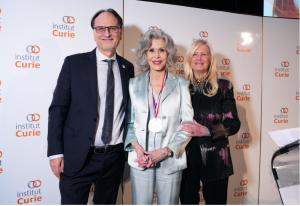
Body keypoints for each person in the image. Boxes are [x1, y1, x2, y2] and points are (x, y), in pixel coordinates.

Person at [47, 8, 134, 204]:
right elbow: (58, 108)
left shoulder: (127, 68)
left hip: (114, 157)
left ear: (120, 31)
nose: (107, 33)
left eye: (112, 28)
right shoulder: (73, 63)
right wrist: (55, 152)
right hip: (78, 157)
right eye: (101, 28)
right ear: (94, 32)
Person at [124, 27, 194, 204]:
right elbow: (129, 123)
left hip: (170, 160)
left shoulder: (181, 85)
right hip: (141, 161)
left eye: (161, 50)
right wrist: (138, 150)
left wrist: (165, 151)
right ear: (145, 54)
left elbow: (188, 125)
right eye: (151, 50)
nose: (156, 56)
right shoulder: (134, 84)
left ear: (168, 53)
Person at [179, 39, 241, 205]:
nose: (199, 58)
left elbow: (233, 124)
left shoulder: (223, 86)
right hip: (186, 157)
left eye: (203, 54)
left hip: (216, 158)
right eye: (195, 54)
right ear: (189, 59)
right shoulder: (180, 86)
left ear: (211, 59)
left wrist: (206, 131)